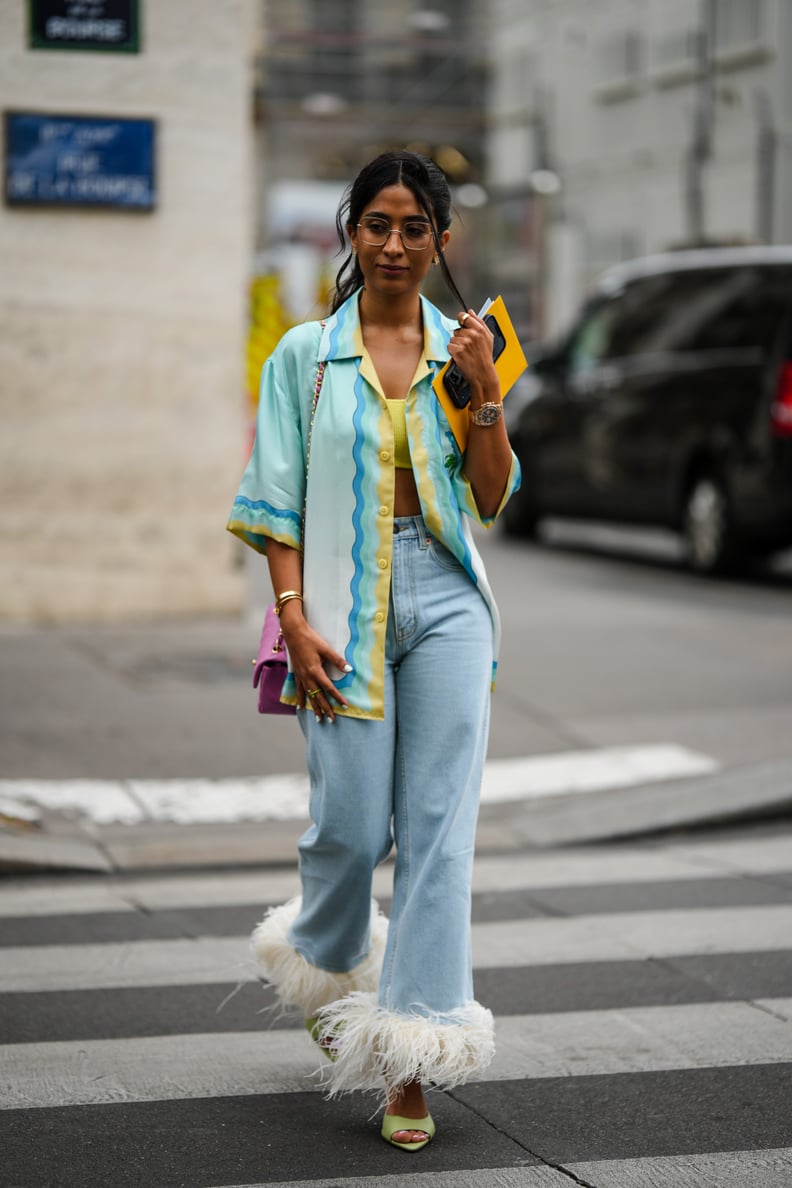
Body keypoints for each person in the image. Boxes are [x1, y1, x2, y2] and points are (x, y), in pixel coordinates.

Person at [227, 149, 520, 1152]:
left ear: (443, 240)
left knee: (438, 834)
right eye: (376, 223)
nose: (394, 243)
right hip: (339, 608)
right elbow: (273, 499)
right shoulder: (303, 357)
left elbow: (491, 495)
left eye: (414, 227)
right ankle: (324, 956)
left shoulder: (472, 348)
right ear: (352, 232)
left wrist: (485, 392)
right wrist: (293, 614)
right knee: (350, 828)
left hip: (446, 601)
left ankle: (412, 1059)